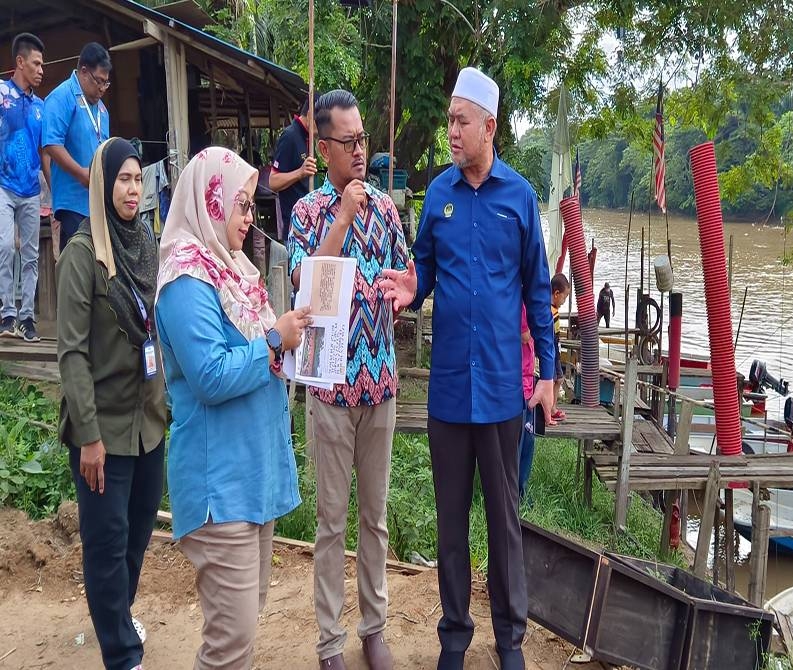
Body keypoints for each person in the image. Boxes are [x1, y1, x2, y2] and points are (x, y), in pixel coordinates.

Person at [380, 66, 555, 670]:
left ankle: (510, 640)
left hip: (505, 389)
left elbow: (537, 292)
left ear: (489, 126)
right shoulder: (439, 197)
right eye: (449, 120)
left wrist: (549, 373)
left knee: (505, 523)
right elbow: (423, 270)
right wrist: (411, 286)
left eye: (461, 121)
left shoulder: (520, 199)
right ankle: (453, 639)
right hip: (451, 390)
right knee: (450, 523)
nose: (451, 131)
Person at [155, 147, 310, 669]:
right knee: (229, 643)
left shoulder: (233, 271)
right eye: (240, 204)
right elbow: (210, 375)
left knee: (240, 633)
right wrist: (273, 340)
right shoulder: (185, 281)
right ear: (209, 201)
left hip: (250, 478)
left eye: (250, 205)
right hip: (219, 487)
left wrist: (288, 343)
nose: (249, 217)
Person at [286, 89, 407, 670]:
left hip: (378, 383)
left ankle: (373, 628)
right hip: (330, 389)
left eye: (364, 139)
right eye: (349, 141)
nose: (360, 151)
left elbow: (404, 278)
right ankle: (330, 643)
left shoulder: (387, 209)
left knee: (374, 518)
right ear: (324, 146)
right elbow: (307, 290)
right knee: (331, 522)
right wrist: (343, 215)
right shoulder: (307, 213)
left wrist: (400, 293)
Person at [56, 137, 168, 670]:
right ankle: (123, 655)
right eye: (122, 179)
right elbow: (72, 354)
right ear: (103, 185)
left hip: (147, 423)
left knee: (137, 535)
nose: (132, 188)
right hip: (103, 428)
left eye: (137, 178)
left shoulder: (144, 242)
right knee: (106, 545)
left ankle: (117, 616)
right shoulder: (82, 255)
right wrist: (89, 438)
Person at [0, 33, 47, 342]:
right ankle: (7, 314)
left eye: (42, 64)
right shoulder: (1, 93)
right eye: (36, 63)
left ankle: (27, 318)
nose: (41, 69)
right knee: (4, 246)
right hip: (3, 185)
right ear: (20, 62)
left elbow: (45, 152)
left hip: (32, 190)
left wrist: (53, 194)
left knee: (30, 256)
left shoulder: (41, 107)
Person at [42, 42, 111, 251]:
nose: (101, 89)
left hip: (97, 202)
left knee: (94, 263)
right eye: (98, 81)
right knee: (79, 256)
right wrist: (81, 173)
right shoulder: (61, 97)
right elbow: (51, 143)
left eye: (106, 84)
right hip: (72, 200)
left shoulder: (102, 109)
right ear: (83, 71)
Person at [269, 95, 318, 239]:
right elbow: (273, 181)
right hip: (294, 225)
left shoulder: (308, 138)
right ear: (310, 115)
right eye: (320, 121)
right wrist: (300, 172)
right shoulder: (290, 136)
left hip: (308, 223)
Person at [518, 304, 536, 501]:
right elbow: (525, 334)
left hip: (529, 381)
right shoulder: (522, 303)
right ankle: (515, 493)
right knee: (519, 442)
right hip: (518, 383)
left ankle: (522, 490)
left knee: (529, 440)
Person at [550, 273, 570, 422]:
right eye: (564, 297)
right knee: (552, 380)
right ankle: (549, 409)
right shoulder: (549, 311)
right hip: (551, 349)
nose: (564, 301)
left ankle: (553, 407)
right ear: (556, 294)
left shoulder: (553, 311)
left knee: (559, 379)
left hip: (556, 348)